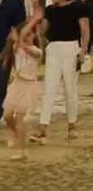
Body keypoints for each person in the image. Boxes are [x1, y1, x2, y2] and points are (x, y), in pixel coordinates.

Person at [30, 0, 89, 144]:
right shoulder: (50, 10)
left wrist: (83, 51)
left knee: (70, 89)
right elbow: (43, 31)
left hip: (71, 48)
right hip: (54, 48)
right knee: (49, 88)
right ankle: (43, 127)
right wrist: (38, 19)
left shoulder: (77, 7)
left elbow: (85, 29)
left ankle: (72, 125)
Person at [1, 16, 42, 160]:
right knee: (7, 115)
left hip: (29, 87)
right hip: (17, 85)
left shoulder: (37, 51)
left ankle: (22, 150)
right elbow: (19, 44)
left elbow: (31, 51)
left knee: (19, 119)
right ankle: (18, 134)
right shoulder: (17, 48)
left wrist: (33, 21)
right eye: (27, 33)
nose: (29, 36)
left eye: (31, 34)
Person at [0, 0, 26, 119]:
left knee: (1, 82)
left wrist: (15, 36)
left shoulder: (16, 0)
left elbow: (21, 24)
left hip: (6, 47)